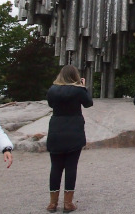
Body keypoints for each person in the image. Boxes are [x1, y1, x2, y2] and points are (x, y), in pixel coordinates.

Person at [46, 65, 93, 213]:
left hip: (56, 129)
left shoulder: (52, 89)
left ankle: (53, 203)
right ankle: (68, 203)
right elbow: (88, 103)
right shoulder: (78, 90)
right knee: (71, 166)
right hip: (74, 130)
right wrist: (84, 87)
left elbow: (50, 104)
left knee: (55, 167)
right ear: (75, 76)